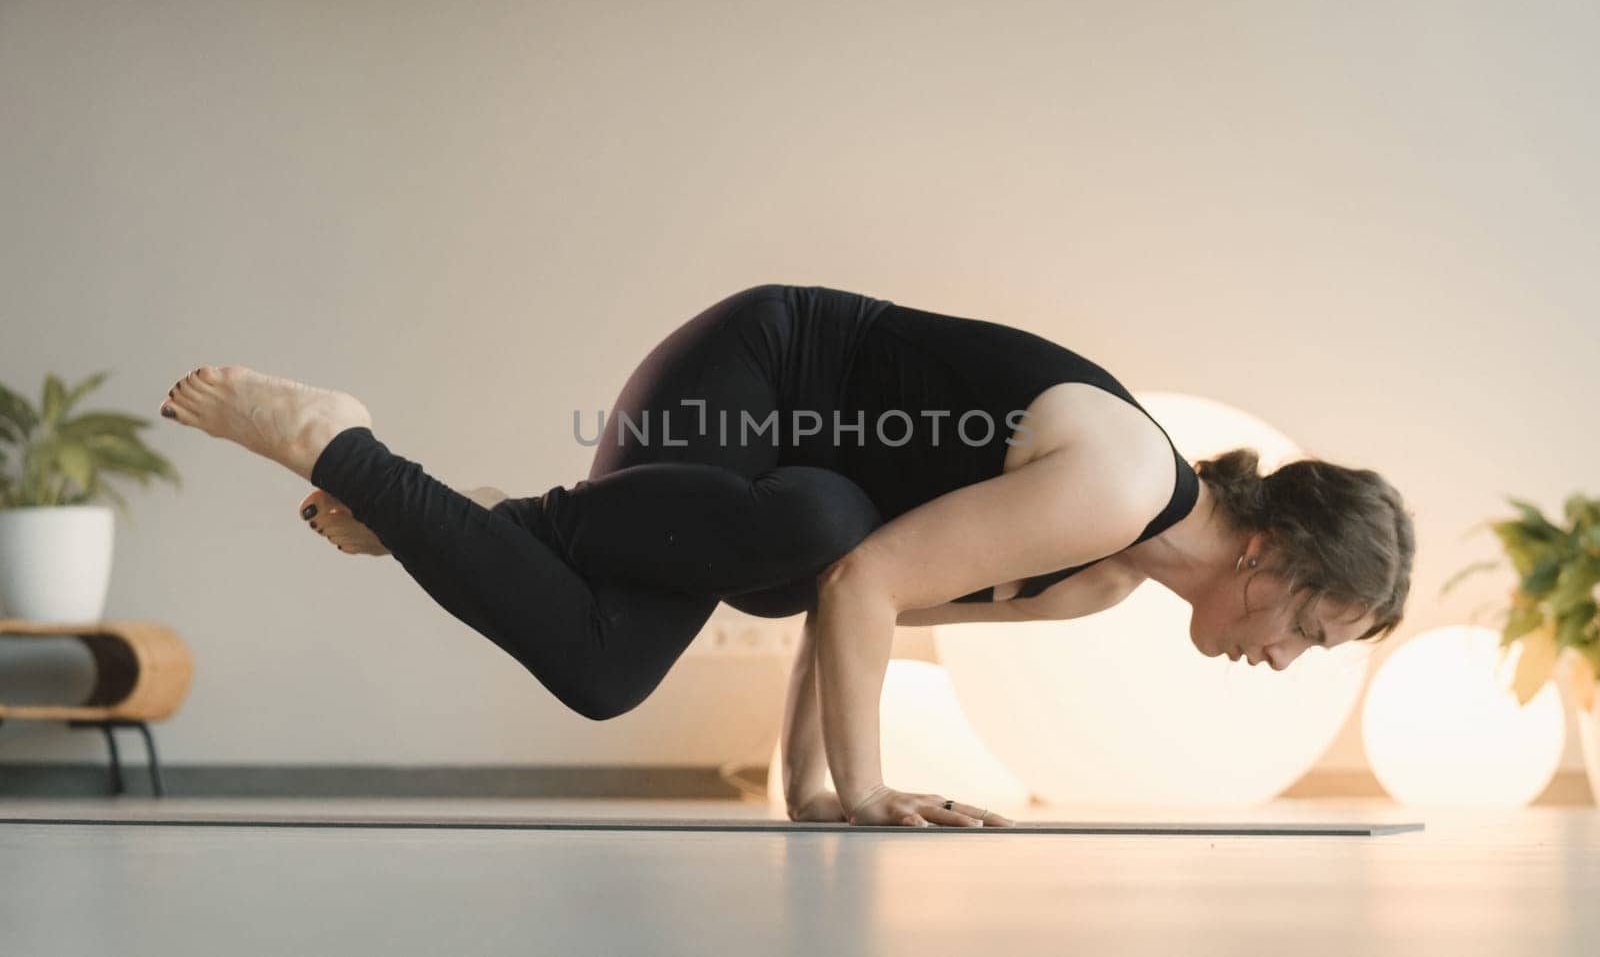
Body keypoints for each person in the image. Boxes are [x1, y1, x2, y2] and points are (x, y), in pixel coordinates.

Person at [157, 283, 1414, 828]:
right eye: (1309, 626)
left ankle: (473, 514)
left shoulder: (1094, 580)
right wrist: (863, 798)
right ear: (1271, 551)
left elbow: (858, 609)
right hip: (755, 374)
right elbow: (864, 586)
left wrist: (811, 789)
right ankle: (342, 445)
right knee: (789, 550)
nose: (1285, 658)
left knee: (626, 653)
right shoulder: (1122, 482)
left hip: (799, 503)